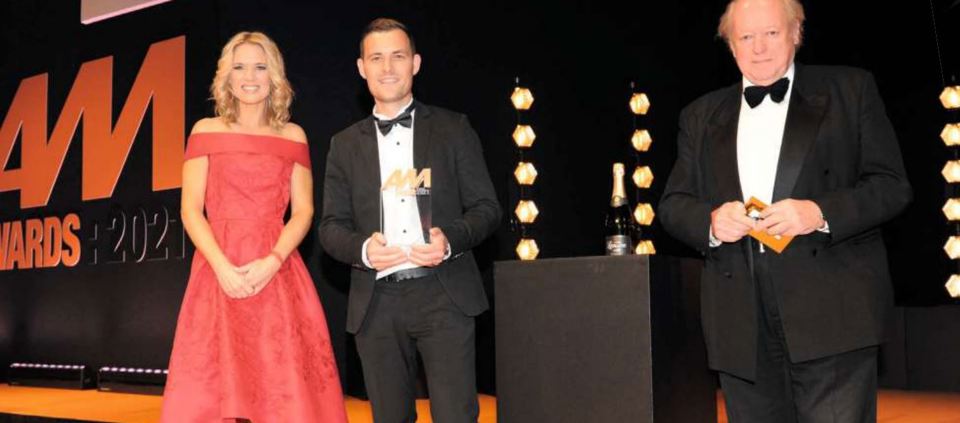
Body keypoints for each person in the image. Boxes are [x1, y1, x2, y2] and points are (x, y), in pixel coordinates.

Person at [659, 0, 912, 421]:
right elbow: (672, 205)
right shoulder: (699, 116)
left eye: (771, 33)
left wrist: (819, 212)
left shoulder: (850, 91)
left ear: (796, 33)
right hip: (740, 323)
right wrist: (711, 222)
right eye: (746, 36)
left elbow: (892, 186)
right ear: (730, 45)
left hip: (833, 313)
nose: (758, 47)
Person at [319, 18, 501, 423]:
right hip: (377, 302)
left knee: (457, 416)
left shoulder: (454, 129)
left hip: (444, 295)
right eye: (376, 58)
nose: (387, 68)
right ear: (361, 68)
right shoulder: (344, 145)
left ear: (415, 63)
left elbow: (487, 208)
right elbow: (331, 226)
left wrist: (449, 240)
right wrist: (364, 249)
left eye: (397, 56)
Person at [160, 31, 347, 423]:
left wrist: (272, 261)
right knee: (214, 393)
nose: (250, 76)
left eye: (260, 67)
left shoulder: (294, 136)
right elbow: (191, 210)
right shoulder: (204, 130)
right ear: (226, 77)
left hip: (277, 274)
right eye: (239, 67)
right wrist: (222, 268)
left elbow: (304, 212)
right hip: (217, 271)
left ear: (274, 76)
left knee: (281, 393)